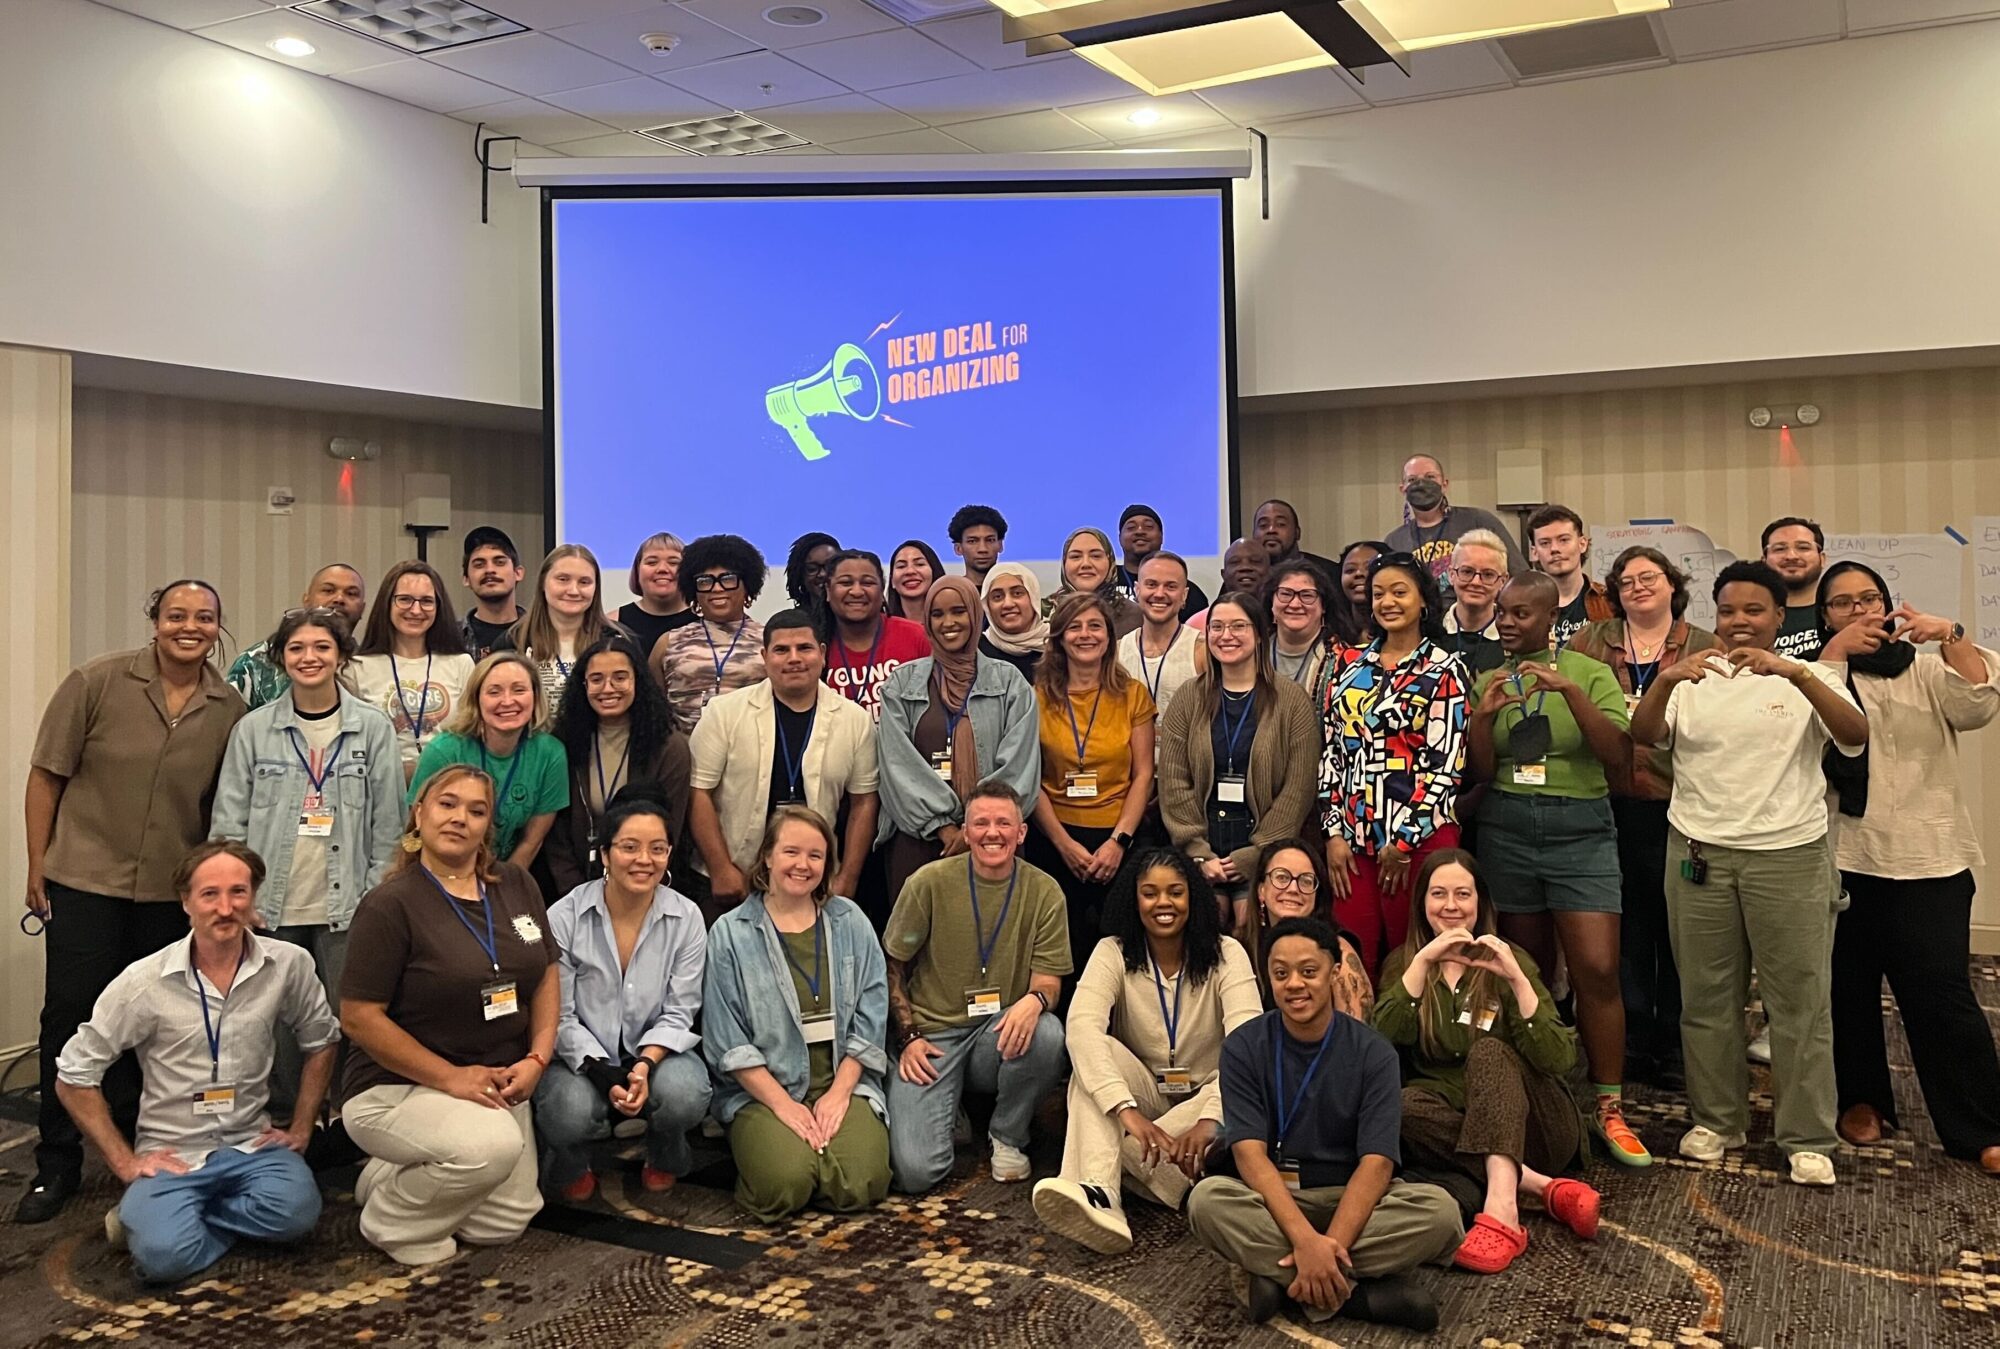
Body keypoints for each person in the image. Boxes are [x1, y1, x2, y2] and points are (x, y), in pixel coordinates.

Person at [1629, 560, 1868, 1186]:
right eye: (1728, 611)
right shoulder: (1690, 679)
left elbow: (1854, 736)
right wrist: (1662, 682)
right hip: (1698, 854)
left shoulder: (1811, 675)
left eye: (1753, 611)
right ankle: (1718, 1119)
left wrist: (1795, 673)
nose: (1739, 622)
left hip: (1789, 854)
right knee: (1706, 998)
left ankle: (1807, 1134)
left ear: (1779, 617)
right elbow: (1645, 737)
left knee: (1799, 1003)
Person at [18, 579, 247, 1225]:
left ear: (217, 627)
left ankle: (139, 1151)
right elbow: (46, 773)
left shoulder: (228, 707)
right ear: (155, 620)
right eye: (177, 614)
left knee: (151, 1030)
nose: (190, 626)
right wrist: (38, 864)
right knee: (70, 1018)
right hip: (85, 879)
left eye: (204, 617)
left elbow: (215, 812)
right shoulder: (96, 681)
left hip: (165, 896)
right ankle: (55, 1162)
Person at [54, 842, 338, 1283]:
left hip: (251, 1145)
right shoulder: (144, 982)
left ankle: (160, 1217)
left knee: (297, 1217)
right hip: (174, 1154)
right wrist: (126, 1163)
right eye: (210, 895)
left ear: (254, 896)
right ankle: (159, 1215)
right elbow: (73, 1075)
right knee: (165, 1259)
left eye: (238, 892)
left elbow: (322, 1040)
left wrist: (302, 1127)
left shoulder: (288, 965)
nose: (225, 908)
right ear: (185, 902)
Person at [1814, 562, 2000, 1176]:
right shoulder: (1813, 675)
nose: (1859, 611)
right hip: (1841, 853)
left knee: (1943, 996)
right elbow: (1814, 733)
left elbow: (1976, 707)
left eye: (1869, 598)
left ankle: (1979, 1125)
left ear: (1892, 606)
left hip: (1931, 855)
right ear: (1825, 618)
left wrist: (1951, 634)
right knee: (1847, 990)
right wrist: (1835, 659)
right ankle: (1862, 1100)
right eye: (1841, 604)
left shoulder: (1928, 666)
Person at [1186, 917, 1461, 1330]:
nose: (1294, 983)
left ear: (1334, 973)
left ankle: (1278, 1279)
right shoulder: (1243, 1047)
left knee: (1441, 1215)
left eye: (1308, 971)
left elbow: (1377, 1165)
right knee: (1206, 1202)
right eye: (1281, 974)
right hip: (1273, 1198)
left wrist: (1324, 1246)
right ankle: (1356, 1295)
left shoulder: (1374, 1053)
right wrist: (1305, 1241)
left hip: (1354, 1199)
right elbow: (1248, 1155)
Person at [338, 766, 559, 1265]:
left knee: (504, 1222)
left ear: (489, 827)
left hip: (495, 1084)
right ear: (419, 814)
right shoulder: (390, 904)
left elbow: (546, 973)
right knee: (492, 1149)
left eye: (476, 811)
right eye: (447, 804)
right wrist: (450, 1078)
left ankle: (389, 1174)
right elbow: (357, 1017)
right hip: (396, 1087)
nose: (460, 818)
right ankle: (390, 1220)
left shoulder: (516, 883)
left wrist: (538, 1059)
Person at [1465, 574, 1647, 1166]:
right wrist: (1483, 719)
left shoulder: (1589, 673)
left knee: (1596, 968)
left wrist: (1569, 692)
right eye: (1501, 613)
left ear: (1551, 618)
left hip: (1580, 830)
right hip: (1509, 826)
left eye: (1520, 613)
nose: (1508, 623)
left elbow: (1619, 759)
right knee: (1526, 970)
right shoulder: (1489, 678)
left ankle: (1609, 1106)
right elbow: (1481, 772)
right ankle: (1534, 1097)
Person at [1372, 852, 1598, 1276]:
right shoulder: (1404, 966)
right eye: (1439, 894)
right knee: (1394, 1107)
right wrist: (1421, 963)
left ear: (1481, 903)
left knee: (1489, 1052)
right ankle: (1536, 1186)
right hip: (1452, 1124)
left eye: (1463, 894)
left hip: (1537, 1126)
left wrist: (1516, 979)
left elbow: (1560, 1060)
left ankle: (1501, 1212)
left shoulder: (1510, 961)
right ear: (1422, 902)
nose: (1451, 906)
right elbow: (1378, 1045)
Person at [1033, 850, 1260, 1252]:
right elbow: (1082, 1029)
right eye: (1150, 893)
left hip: (1203, 1104)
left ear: (1193, 897)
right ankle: (1105, 1194)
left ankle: (1100, 1167)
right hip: (1145, 1098)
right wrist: (1126, 1111)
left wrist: (1210, 1120)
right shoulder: (1112, 951)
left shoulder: (1228, 954)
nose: (1163, 903)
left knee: (1240, 1080)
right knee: (1094, 1053)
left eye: (1175, 892)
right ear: (1133, 899)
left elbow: (1248, 1047)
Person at [1571, 547, 1720, 1089]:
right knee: (1625, 925)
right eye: (1626, 580)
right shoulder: (1589, 642)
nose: (1637, 587)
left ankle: (1678, 1044)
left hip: (1679, 804)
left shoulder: (1705, 644)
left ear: (1672, 585)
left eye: (1648, 577)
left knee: (1678, 929)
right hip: (1606, 803)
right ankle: (1632, 1041)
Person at [703, 807, 893, 1220]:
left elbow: (872, 1012)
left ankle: (819, 1159)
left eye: (815, 856)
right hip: (765, 1087)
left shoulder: (851, 922)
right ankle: (796, 1160)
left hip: (841, 1077)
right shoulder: (730, 934)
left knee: (863, 1182)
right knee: (782, 1185)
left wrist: (839, 1094)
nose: (803, 865)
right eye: (791, 852)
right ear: (768, 856)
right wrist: (785, 1107)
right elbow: (727, 1039)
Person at [211, 606, 403, 1007]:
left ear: (341, 656)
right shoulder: (252, 730)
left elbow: (389, 827)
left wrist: (372, 901)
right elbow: (228, 827)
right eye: (296, 648)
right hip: (269, 910)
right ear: (281, 657)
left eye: (322, 646)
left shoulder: (373, 727)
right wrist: (238, 898)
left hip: (348, 911)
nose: (309, 657)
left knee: (345, 1023)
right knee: (274, 1029)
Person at [884, 782, 1071, 1190]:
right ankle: (949, 1106)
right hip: (933, 1038)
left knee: (1048, 1033)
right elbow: (891, 967)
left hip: (997, 1034)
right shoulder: (928, 883)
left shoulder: (1044, 891)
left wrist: (1036, 1001)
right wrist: (908, 1036)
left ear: (1021, 833)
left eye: (1004, 823)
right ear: (965, 832)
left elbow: (1049, 982)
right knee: (915, 1173)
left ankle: (1007, 1135)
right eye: (981, 823)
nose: (992, 833)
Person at [536, 790, 710, 1201]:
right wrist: (601, 1070)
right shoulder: (563, 917)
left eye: (657, 849)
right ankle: (570, 1160)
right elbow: (557, 1016)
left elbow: (680, 1010)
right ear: (605, 854)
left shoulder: (686, 917)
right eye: (629, 847)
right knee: (567, 1112)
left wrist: (645, 1065)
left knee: (687, 1095)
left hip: (655, 1053)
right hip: (581, 1059)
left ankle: (666, 1152)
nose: (643, 860)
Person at [1319, 552, 1469, 980]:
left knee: (1420, 960)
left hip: (1419, 842)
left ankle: (1419, 1047)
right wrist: (1332, 833)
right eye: (1378, 593)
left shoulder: (1444, 670)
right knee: (1354, 958)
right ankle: (1363, 1046)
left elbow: (1447, 765)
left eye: (1399, 592)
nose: (1387, 602)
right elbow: (1331, 753)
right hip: (1353, 842)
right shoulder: (1347, 667)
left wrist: (1402, 842)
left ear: (1424, 601)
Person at [686, 610, 878, 913]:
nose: (793, 658)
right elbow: (698, 792)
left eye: (804, 648)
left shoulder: (855, 720)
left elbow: (864, 802)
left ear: (822, 653)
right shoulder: (723, 713)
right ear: (764, 656)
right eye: (781, 650)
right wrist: (721, 867)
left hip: (814, 878)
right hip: (734, 875)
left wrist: (847, 877)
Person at [877, 576, 1042, 913]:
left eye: (958, 612)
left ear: (975, 615)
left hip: (995, 841)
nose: (948, 623)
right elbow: (897, 765)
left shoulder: (1010, 682)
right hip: (922, 842)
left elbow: (1019, 765)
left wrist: (978, 826)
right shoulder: (901, 683)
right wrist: (945, 828)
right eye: (937, 614)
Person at [1157, 594, 1320, 933]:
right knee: (1206, 923)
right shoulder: (1189, 697)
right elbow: (1174, 780)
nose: (1226, 635)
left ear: (1260, 633)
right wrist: (1198, 853)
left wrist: (1257, 854)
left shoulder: (1291, 701)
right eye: (1216, 627)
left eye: (1238, 626)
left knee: (1251, 924)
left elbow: (1298, 788)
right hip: (1201, 841)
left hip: (1263, 843)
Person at [1029, 592, 1156, 965]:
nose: (1086, 635)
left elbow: (1144, 773)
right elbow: (1030, 779)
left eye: (1095, 626)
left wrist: (1118, 842)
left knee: (1121, 949)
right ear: (1059, 639)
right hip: (1054, 837)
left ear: (1109, 637)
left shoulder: (1132, 694)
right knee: (1062, 948)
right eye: (1074, 627)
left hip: (1121, 835)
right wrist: (1063, 844)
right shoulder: (1036, 697)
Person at [544, 635, 692, 895]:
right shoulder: (563, 743)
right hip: (571, 890)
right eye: (597, 679)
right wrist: (576, 894)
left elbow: (669, 831)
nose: (608, 688)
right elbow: (556, 834)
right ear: (583, 685)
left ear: (638, 681)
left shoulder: (669, 748)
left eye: (620, 677)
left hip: (645, 883)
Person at [408, 652, 568, 871]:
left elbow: (530, 843)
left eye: (519, 690)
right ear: (477, 699)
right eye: (494, 692)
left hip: (507, 875)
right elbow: (420, 830)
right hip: (440, 871)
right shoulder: (444, 751)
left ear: (535, 696)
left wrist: (499, 891)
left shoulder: (550, 753)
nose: (508, 701)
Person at [348, 560, 475, 780]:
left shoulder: (461, 664)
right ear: (387, 603)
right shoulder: (357, 668)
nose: (416, 610)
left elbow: (473, 737)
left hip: (448, 787)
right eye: (404, 599)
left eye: (427, 601)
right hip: (381, 788)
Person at [1238, 840, 1374, 1019]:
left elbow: (1357, 1036)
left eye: (1306, 881)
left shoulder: (1338, 949)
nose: (1293, 889)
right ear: (1261, 890)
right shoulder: (1240, 948)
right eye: (1282, 877)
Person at [655, 533, 768, 734]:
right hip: (685, 759)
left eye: (728, 579)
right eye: (705, 581)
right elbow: (651, 708)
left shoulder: (769, 640)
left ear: (747, 587)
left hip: (752, 755)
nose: (716, 589)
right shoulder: (668, 642)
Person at [225, 563, 366, 709]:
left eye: (351, 593)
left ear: (362, 608)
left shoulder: (368, 664)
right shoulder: (255, 663)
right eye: (328, 590)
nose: (339, 599)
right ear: (306, 601)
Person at [498, 543, 616, 711]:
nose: (574, 590)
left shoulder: (616, 640)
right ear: (542, 584)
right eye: (563, 579)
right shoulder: (512, 641)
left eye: (584, 582)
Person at [1384, 455, 1525, 593]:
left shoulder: (1478, 521)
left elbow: (1519, 576)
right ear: (1402, 489)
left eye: (1430, 477)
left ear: (1444, 484)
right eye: (1412, 479)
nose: (1421, 484)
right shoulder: (1394, 541)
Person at [823, 549, 931, 722]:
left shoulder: (917, 636)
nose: (857, 591)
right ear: (828, 591)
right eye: (845, 583)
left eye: (867, 583)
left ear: (882, 590)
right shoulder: (815, 644)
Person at [1116, 552, 1201, 725]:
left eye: (1170, 586)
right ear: (1137, 590)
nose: (1160, 593)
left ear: (1184, 595)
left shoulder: (1202, 651)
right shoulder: (1117, 652)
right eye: (1151, 585)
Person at [1525, 506, 1613, 646]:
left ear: (1582, 544)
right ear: (1534, 552)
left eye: (1564, 540)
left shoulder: (1609, 601)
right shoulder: (1524, 606)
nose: (1555, 549)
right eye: (1545, 543)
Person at [1116, 504, 1210, 617]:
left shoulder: (1187, 591)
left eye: (1148, 526)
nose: (1139, 531)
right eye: (1131, 528)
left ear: (1161, 537)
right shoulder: (1106, 584)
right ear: (1120, 538)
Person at [1046, 526, 1141, 638]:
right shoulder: (1043, 612)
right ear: (1064, 563)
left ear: (1110, 562)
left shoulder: (1135, 615)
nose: (1086, 564)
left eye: (1096, 556)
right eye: (1075, 556)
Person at [615, 532, 697, 661]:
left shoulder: (705, 621)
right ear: (637, 571)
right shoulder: (612, 624)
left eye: (673, 563)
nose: (662, 569)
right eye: (652, 562)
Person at [1441, 528, 1508, 678]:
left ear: (1503, 581)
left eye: (1488, 574)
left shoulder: (1514, 636)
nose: (1476, 582)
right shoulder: (1429, 632)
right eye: (1467, 572)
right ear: (1452, 575)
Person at [1267, 558, 1338, 696]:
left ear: (1323, 605)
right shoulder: (1253, 652)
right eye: (1286, 594)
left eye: (1307, 595)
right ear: (1271, 601)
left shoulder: (1341, 659)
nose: (1295, 604)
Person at [1762, 516, 1828, 661]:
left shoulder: (1841, 613)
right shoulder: (1749, 617)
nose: (1791, 556)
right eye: (1780, 549)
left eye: (1803, 548)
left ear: (1822, 558)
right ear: (1764, 561)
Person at [461, 526, 527, 661]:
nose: (489, 570)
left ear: (518, 573)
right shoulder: (452, 639)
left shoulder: (540, 634)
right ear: (466, 579)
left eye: (499, 562)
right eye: (479, 564)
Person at [979, 561, 1048, 683]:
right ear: (987, 606)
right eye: (997, 597)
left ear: (1033, 598)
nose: (1008, 604)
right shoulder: (977, 653)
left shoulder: (1056, 646)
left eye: (1017, 593)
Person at [1251, 499, 1341, 576]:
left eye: (1281, 524)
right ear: (1253, 535)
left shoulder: (1328, 572)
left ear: (1297, 533)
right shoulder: (1247, 574)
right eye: (1263, 525)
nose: (1271, 530)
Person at [1329, 540, 1386, 648]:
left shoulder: (1400, 631)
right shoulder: (1331, 634)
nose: (1359, 574)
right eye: (1350, 570)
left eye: (1369, 568)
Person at [783, 531, 842, 631]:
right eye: (812, 569)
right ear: (800, 575)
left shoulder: (855, 617)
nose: (822, 574)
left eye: (830, 567)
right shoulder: (791, 624)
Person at [886, 539, 945, 628]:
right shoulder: (880, 628)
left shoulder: (949, 624)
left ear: (934, 572)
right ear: (892, 581)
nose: (910, 571)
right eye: (901, 566)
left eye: (919, 564)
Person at [949, 504, 1007, 588]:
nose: (982, 549)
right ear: (958, 548)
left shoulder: (1015, 591)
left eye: (990, 540)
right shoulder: (953, 594)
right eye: (972, 541)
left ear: (1000, 545)